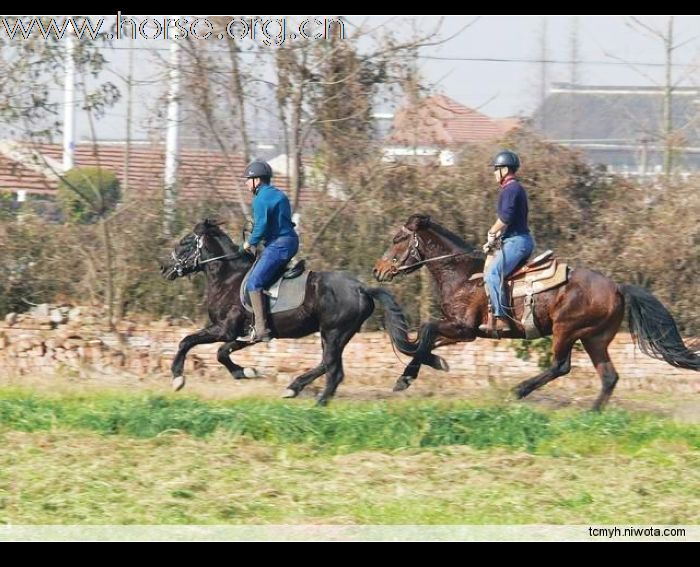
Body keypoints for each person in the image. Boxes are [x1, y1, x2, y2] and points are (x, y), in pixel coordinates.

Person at [237, 160, 299, 343]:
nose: (246, 183)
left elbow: (261, 226)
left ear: (257, 180)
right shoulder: (279, 194)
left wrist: (248, 244)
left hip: (278, 245)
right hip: (289, 241)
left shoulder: (260, 199)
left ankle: (261, 329)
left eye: (248, 179)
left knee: (254, 282)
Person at [479, 150, 535, 334]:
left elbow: (505, 218)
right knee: (488, 267)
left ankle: (501, 318)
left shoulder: (511, 189)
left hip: (517, 241)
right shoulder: (512, 189)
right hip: (513, 240)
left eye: (496, 169)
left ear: (504, 170)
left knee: (492, 274)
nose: (494, 173)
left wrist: (491, 232)